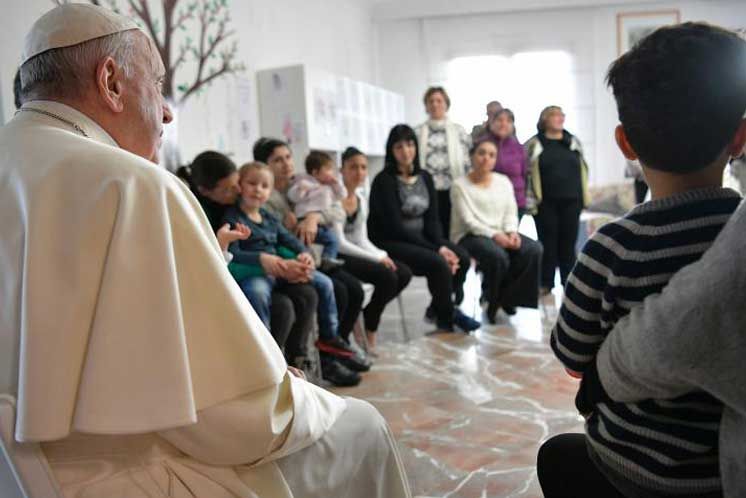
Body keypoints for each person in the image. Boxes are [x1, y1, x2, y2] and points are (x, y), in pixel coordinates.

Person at [0, 5, 411, 497]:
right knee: (362, 426)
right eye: (156, 84)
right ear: (110, 81)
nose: (168, 110)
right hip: (130, 472)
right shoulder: (135, 185)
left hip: (23, 474)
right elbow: (233, 421)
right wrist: (290, 393)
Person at [538, 22, 746, 498]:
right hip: (724, 472)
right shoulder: (738, 234)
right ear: (739, 138)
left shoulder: (610, 248)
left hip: (630, 466)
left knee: (557, 456)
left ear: (625, 143)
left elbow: (571, 354)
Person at [223, 162, 366, 385]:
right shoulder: (232, 217)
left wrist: (304, 255)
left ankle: (329, 337)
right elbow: (233, 254)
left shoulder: (269, 217)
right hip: (256, 273)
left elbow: (289, 240)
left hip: (281, 269)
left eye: (264, 186)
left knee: (324, 282)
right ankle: (264, 352)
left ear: (270, 192)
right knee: (258, 293)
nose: (258, 190)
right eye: (252, 184)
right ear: (239, 185)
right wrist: (263, 261)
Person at [176, 151, 320, 371]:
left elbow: (277, 239)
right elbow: (222, 264)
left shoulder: (254, 208)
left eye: (236, 184)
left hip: (268, 272)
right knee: (283, 307)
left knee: (308, 292)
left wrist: (292, 262)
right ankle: (269, 365)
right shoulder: (215, 216)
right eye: (229, 189)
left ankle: (296, 359)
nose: (238, 191)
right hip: (239, 280)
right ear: (206, 191)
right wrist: (265, 262)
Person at [253, 138, 370, 370]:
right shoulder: (265, 195)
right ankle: (326, 360)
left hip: (314, 256)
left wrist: (314, 218)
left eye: (288, 157)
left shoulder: (302, 181)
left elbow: (337, 210)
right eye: (278, 160)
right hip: (293, 259)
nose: (286, 164)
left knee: (352, 289)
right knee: (336, 289)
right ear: (264, 165)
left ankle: (337, 349)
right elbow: (273, 236)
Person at [368, 124, 480, 334]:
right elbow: (395, 228)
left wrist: (440, 244)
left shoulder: (425, 177)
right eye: (399, 147)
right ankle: (446, 319)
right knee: (439, 263)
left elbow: (433, 220)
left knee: (462, 257)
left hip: (421, 239)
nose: (406, 151)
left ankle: (440, 307)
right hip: (391, 241)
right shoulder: (383, 181)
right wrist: (437, 250)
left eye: (410, 144)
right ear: (391, 151)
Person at [450, 139, 542, 324]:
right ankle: (492, 302)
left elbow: (511, 211)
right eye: (481, 153)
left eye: (491, 155)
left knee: (533, 249)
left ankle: (506, 298)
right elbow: (469, 221)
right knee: (497, 256)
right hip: (469, 235)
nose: (486, 158)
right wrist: (495, 235)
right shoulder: (459, 185)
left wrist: (511, 232)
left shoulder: (503, 181)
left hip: (502, 232)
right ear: (472, 156)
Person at [334, 146, 413, 353]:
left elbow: (361, 238)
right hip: (337, 255)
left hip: (356, 251)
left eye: (363, 167)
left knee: (402, 272)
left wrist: (381, 255)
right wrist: (377, 259)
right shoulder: (334, 198)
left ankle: (370, 313)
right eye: (353, 167)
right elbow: (340, 243)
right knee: (387, 276)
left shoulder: (361, 199)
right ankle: (370, 327)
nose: (359, 172)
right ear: (341, 170)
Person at [525, 106, 591, 294]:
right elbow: (527, 173)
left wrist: (585, 197)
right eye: (554, 114)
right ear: (544, 119)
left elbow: (583, 170)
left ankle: (568, 282)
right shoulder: (534, 144)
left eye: (562, 114)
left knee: (568, 244)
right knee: (547, 243)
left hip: (572, 200)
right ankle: (545, 283)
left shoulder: (573, 142)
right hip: (545, 202)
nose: (559, 118)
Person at [415, 86, 472, 237]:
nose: (435, 104)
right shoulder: (418, 132)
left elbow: (467, 162)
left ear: (446, 104)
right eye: (431, 101)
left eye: (439, 100)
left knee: (452, 229)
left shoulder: (459, 131)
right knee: (431, 231)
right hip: (426, 191)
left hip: (453, 189)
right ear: (426, 106)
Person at [287, 150, 346, 270]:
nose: (332, 173)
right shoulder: (303, 182)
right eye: (328, 169)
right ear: (315, 172)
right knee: (330, 240)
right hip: (303, 219)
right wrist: (301, 189)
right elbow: (293, 197)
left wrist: (337, 183)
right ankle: (325, 259)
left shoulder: (329, 186)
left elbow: (341, 196)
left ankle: (325, 260)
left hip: (321, 221)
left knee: (331, 239)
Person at [483, 108, 529, 219]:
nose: (504, 124)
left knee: (513, 235)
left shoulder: (519, 148)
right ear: (491, 123)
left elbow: (525, 175)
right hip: (489, 202)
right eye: (499, 120)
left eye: (508, 121)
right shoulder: (481, 145)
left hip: (516, 202)